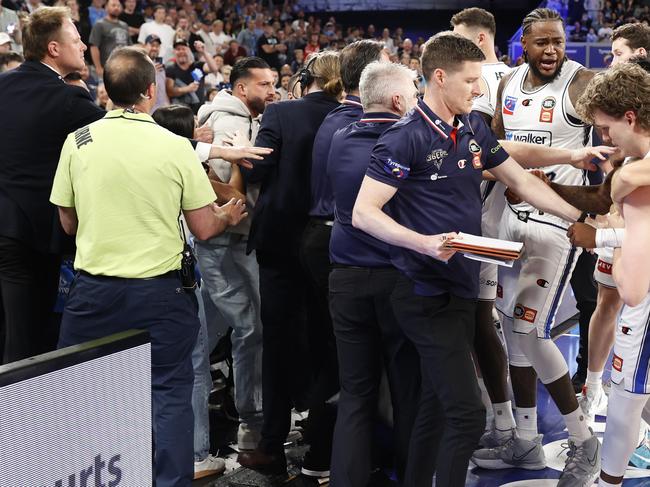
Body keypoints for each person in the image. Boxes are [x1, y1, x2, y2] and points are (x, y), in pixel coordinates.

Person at [352, 32, 586, 487]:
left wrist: (582, 220)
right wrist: (423, 243)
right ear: (439, 78)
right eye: (471, 81)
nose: (480, 89)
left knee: (437, 408)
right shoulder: (403, 138)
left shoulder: (473, 128)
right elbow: (363, 213)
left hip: (461, 288)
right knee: (465, 414)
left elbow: (523, 181)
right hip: (422, 290)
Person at [51, 46, 268, 487]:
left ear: (106, 90)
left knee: (84, 398)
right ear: (151, 91)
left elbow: (68, 222)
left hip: (93, 292)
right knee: (169, 391)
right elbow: (204, 227)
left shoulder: (78, 141)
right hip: (160, 293)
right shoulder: (175, 146)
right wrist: (227, 214)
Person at [473, 10, 602, 484]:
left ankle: (584, 440)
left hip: (555, 224)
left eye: (559, 42)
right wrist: (507, 180)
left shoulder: (582, 81)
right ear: (522, 45)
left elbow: (614, 137)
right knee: (510, 330)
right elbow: (500, 147)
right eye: (542, 43)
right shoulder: (507, 85)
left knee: (534, 331)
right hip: (506, 219)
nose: (552, 50)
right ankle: (525, 438)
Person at [236, 51, 343, 478]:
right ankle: (321, 447)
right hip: (333, 244)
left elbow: (260, 170)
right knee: (327, 343)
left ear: (305, 77)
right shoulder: (348, 114)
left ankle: (272, 446)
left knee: (279, 345)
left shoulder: (280, 112)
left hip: (281, 245)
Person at [327, 60, 421, 487]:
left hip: (345, 277)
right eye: (415, 94)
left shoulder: (336, 136)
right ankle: (412, 476)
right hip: (396, 276)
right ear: (398, 100)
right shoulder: (407, 142)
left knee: (356, 393)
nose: (418, 102)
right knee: (408, 391)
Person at [0, 6, 105, 365]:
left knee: (11, 334)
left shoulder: (4, 84)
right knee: (28, 345)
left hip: (8, 229)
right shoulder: (69, 98)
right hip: (32, 239)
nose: (83, 45)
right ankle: (18, 420)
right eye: (76, 39)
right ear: (54, 49)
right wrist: (208, 148)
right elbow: (128, 135)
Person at [194, 57, 275, 457]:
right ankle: (250, 425)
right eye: (264, 85)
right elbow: (217, 189)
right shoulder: (229, 124)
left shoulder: (237, 118)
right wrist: (240, 186)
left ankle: (244, 419)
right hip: (225, 240)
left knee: (216, 333)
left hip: (227, 241)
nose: (272, 91)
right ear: (242, 89)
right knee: (249, 330)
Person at [574, 62, 650, 487]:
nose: (604, 138)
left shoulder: (636, 176)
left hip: (646, 304)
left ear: (630, 117)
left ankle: (607, 482)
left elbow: (634, 288)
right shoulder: (638, 168)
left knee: (625, 397)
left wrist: (612, 240)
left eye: (606, 127)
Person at [451, 6, 516, 447]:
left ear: (478, 39)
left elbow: (496, 153)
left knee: (479, 320)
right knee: (495, 320)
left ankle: (501, 419)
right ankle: (504, 417)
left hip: (481, 221)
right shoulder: (517, 79)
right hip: (502, 217)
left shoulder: (485, 84)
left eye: (457, 37)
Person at [151, 104, 227, 480]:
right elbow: (206, 225)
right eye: (198, 126)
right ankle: (197, 454)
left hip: (138, 281)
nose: (206, 130)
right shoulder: (182, 161)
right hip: (178, 275)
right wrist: (229, 214)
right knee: (194, 364)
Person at [165, 38, 221, 113]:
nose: (181, 51)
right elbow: (170, 92)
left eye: (183, 49)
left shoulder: (197, 66)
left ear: (188, 50)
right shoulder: (171, 69)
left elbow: (214, 68)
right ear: (174, 52)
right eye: (178, 49)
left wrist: (204, 52)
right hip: (180, 113)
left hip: (200, 111)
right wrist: (187, 89)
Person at [88, 0, 130, 79]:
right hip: (107, 68)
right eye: (113, 5)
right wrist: (98, 67)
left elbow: (129, 46)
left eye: (118, 5)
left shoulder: (125, 25)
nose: (116, 8)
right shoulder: (99, 24)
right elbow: (94, 46)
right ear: (106, 7)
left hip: (124, 67)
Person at [144, 34, 170, 111]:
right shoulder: (140, 64)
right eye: (152, 45)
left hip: (162, 110)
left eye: (157, 46)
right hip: (148, 111)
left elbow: (163, 90)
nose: (155, 48)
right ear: (145, 46)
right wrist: (151, 72)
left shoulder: (161, 66)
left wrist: (168, 106)